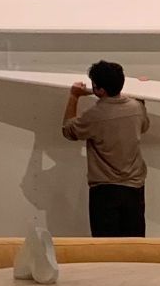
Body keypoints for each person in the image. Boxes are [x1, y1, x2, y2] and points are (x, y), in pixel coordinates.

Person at [62, 60, 150, 238]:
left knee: (105, 247)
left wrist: (74, 96)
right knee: (134, 245)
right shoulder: (137, 108)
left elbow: (68, 130)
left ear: (100, 90)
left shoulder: (95, 115)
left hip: (105, 191)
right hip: (134, 188)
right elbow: (144, 126)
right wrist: (140, 93)